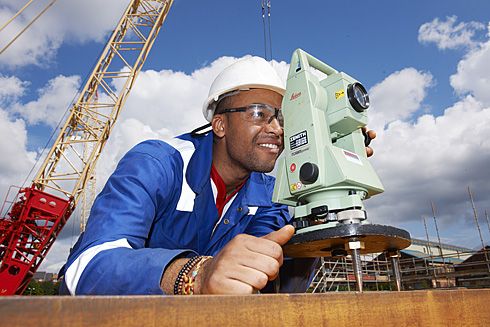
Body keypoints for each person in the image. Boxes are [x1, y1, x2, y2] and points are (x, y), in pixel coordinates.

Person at [59, 56, 375, 295]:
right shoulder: (155, 165)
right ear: (220, 124)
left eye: (281, 117)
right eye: (258, 113)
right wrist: (195, 274)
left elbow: (273, 288)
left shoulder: (272, 196)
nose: (276, 129)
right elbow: (87, 269)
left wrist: (335, 159)